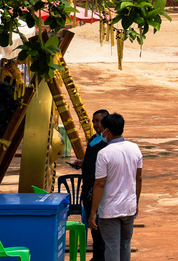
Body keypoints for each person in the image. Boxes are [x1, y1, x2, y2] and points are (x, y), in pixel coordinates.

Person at [89, 113, 141, 261]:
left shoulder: (104, 153)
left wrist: (93, 212)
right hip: (128, 207)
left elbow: (99, 184)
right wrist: (136, 202)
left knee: (111, 246)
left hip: (110, 210)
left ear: (107, 131)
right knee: (125, 244)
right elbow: (139, 178)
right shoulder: (134, 148)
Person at [79, 109, 109, 261]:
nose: (94, 124)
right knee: (93, 225)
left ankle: (102, 256)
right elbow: (92, 158)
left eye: (97, 121)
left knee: (99, 224)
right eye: (94, 120)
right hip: (87, 186)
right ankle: (97, 255)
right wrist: (83, 163)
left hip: (96, 189)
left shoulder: (107, 143)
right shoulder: (94, 139)